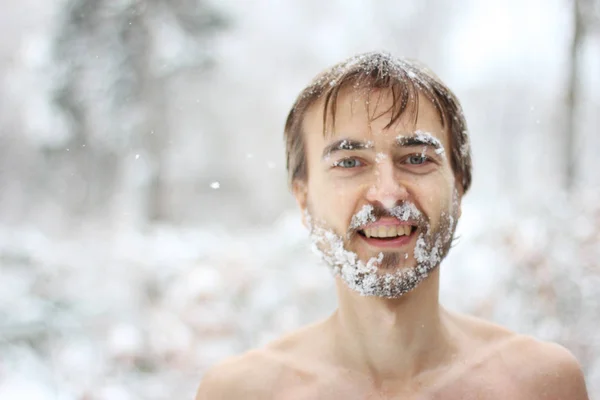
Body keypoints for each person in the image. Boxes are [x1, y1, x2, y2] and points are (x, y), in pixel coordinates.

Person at [195, 52, 589, 399]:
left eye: (416, 158)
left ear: (459, 185)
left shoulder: (541, 386)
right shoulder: (240, 393)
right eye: (350, 163)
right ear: (303, 197)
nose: (386, 194)